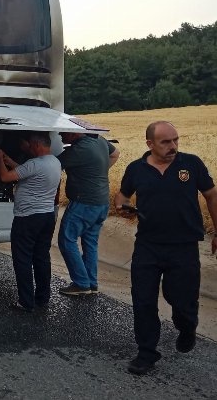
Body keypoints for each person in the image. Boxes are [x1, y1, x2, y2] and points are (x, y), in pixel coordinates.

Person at [115, 121, 217, 375]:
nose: (173, 146)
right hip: (148, 245)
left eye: (175, 140)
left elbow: (212, 195)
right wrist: (123, 206)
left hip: (184, 246)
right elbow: (122, 195)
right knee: (143, 299)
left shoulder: (191, 164)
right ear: (150, 144)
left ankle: (187, 325)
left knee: (181, 299)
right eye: (165, 142)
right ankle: (146, 353)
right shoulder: (136, 169)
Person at [0, 132, 62, 312]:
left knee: (22, 259)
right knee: (41, 257)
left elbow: (5, 177)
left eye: (30, 145)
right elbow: (25, 171)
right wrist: (9, 160)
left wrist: (0, 160)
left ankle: (25, 302)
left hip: (28, 218)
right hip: (47, 217)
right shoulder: (54, 162)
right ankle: (42, 297)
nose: (28, 148)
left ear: (37, 145)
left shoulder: (34, 163)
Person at [56, 132, 120, 295]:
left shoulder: (78, 149)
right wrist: (97, 171)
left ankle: (81, 283)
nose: (60, 134)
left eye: (63, 132)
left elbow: (53, 164)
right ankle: (91, 282)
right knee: (90, 242)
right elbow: (115, 153)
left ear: (73, 133)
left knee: (66, 239)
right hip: (101, 202)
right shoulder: (98, 139)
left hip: (83, 203)